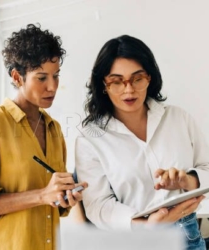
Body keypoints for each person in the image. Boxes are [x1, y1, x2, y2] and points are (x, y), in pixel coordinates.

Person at [75, 35, 209, 249]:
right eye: (117, 82)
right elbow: (97, 206)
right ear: (104, 84)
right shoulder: (89, 137)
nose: (129, 90)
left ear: (150, 77)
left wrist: (187, 180)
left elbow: (207, 168)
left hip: (188, 236)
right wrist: (144, 226)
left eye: (137, 79)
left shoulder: (178, 118)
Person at [0, 24, 88, 250]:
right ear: (17, 77)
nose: (52, 86)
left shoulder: (54, 129)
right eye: (41, 77)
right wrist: (42, 195)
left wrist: (65, 198)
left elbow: (54, 202)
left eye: (56, 75)